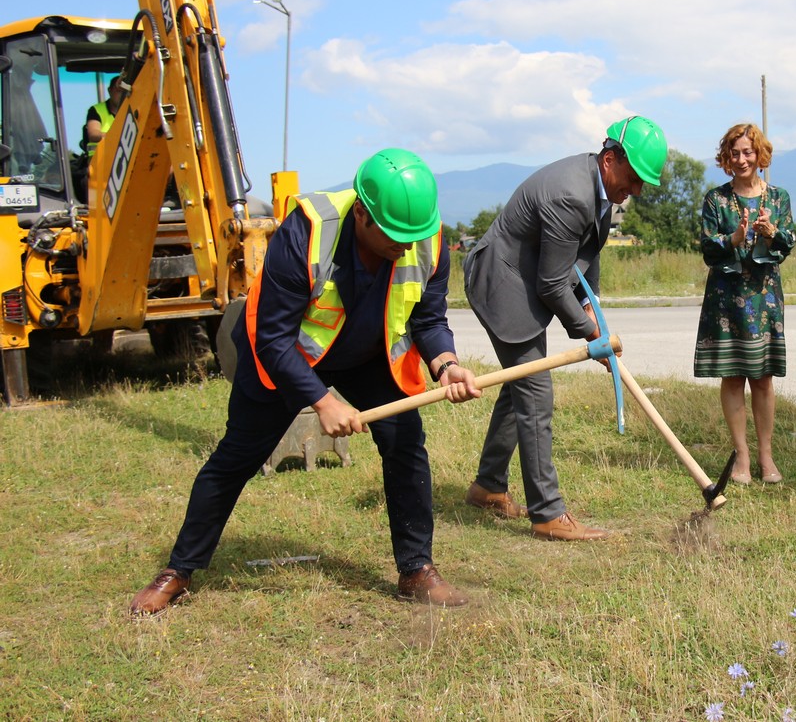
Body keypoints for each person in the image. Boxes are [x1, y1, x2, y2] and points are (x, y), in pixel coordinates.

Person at [130, 148, 482, 615]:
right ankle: (179, 571)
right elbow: (272, 339)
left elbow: (428, 318)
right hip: (289, 355)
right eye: (394, 235)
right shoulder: (306, 232)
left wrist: (445, 364)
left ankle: (416, 569)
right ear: (361, 212)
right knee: (236, 457)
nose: (405, 245)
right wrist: (321, 401)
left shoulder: (427, 237)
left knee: (406, 443)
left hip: (368, 355)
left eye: (412, 236)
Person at [462, 116, 668, 540]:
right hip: (502, 282)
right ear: (610, 160)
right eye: (633, 179)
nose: (636, 192)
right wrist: (591, 335)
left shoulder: (602, 192)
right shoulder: (571, 194)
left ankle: (487, 487)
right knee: (535, 391)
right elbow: (553, 284)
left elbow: (586, 260)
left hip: (526, 280)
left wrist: (597, 323)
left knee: (520, 382)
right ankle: (548, 514)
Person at [693, 123, 796, 485]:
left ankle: (767, 458)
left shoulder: (779, 198)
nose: (741, 159)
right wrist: (733, 238)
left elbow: (789, 242)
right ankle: (742, 458)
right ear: (726, 157)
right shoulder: (715, 199)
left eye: (748, 152)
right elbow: (707, 247)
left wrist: (773, 233)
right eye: (734, 153)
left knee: (764, 379)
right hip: (726, 300)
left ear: (760, 154)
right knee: (734, 377)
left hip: (765, 298)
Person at [82, 75, 127, 155]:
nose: (121, 95)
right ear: (110, 91)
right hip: (99, 161)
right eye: (119, 91)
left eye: (124, 92)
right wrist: (116, 136)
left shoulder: (132, 112)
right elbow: (93, 134)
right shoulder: (96, 110)